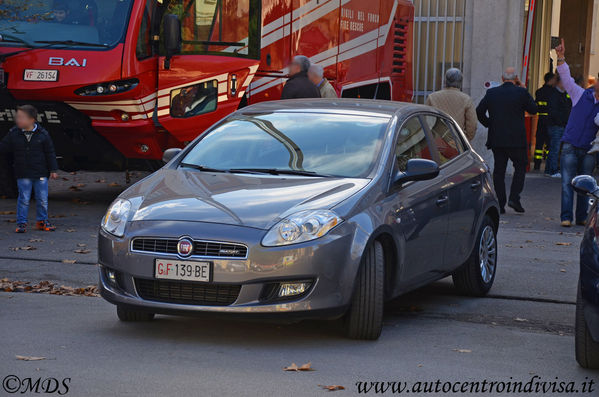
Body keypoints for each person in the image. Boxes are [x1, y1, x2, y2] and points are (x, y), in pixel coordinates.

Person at [476, 67, 538, 214]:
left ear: (502, 79)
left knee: (499, 171)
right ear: (516, 78)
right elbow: (534, 109)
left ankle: (501, 202)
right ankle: (514, 198)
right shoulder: (521, 92)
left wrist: (489, 123)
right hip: (517, 139)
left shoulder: (492, 93)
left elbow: (479, 111)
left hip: (497, 138)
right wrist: (523, 88)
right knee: (520, 167)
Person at [554, 39, 599, 227]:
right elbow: (566, 78)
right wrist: (561, 57)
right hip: (571, 145)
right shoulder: (581, 95)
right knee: (567, 183)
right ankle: (566, 217)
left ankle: (581, 217)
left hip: (589, 149)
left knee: (585, 185)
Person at [0, 105, 59, 233]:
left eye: (21, 117)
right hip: (23, 172)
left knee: (42, 198)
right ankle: (21, 223)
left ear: (32, 120)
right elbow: (3, 147)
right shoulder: (13, 133)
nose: (18, 120)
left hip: (40, 172)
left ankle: (42, 221)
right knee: (24, 199)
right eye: (17, 117)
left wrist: (53, 169)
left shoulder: (43, 134)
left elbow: (50, 152)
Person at [425, 68, 477, 140]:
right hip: (457, 141)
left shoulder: (432, 97)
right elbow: (472, 125)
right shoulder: (466, 99)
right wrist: (465, 140)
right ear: (460, 82)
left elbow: (426, 121)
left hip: (435, 141)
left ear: (445, 80)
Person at [545, 75, 571, 178]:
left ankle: (548, 170)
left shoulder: (563, 94)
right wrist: (561, 121)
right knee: (555, 149)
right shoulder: (554, 95)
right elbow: (554, 111)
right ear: (560, 83)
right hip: (556, 126)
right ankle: (553, 170)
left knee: (554, 148)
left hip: (559, 125)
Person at [533, 72, 557, 170]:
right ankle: (548, 163)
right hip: (551, 120)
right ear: (551, 80)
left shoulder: (539, 91)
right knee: (550, 143)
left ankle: (536, 165)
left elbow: (536, 106)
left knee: (539, 142)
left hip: (541, 120)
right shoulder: (554, 93)